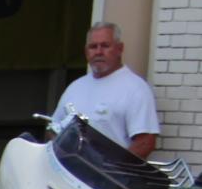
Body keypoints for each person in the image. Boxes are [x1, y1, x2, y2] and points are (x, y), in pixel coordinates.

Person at [53, 21, 159, 159]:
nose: (98, 52)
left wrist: (113, 168)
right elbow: (53, 129)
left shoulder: (136, 88)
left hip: (108, 172)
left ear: (120, 49)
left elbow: (145, 142)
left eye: (105, 46)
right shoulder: (75, 87)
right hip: (70, 169)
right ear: (86, 52)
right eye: (93, 47)